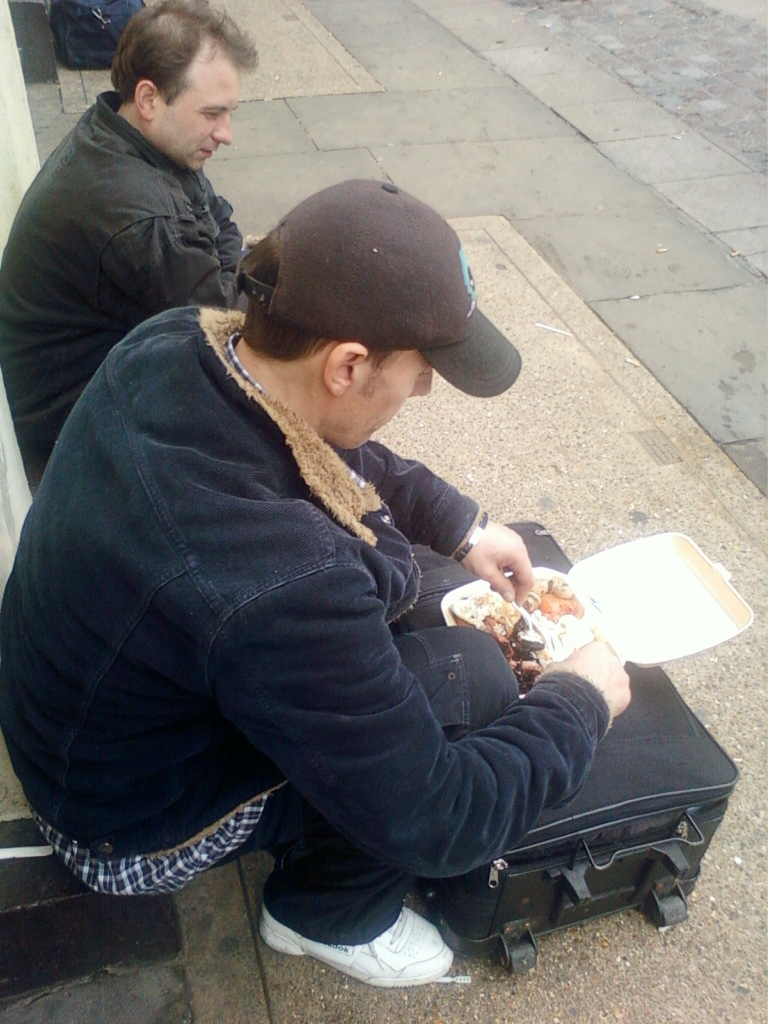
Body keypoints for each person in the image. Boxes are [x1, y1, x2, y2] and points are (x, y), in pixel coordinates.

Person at [0, 180, 631, 988]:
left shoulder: (177, 343)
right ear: (350, 363)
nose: (426, 389)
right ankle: (326, 916)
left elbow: (320, 444)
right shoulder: (284, 580)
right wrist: (579, 703)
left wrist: (462, 526)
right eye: (424, 369)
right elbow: (439, 818)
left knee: (424, 607)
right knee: (472, 677)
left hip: (73, 724)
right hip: (121, 827)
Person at [0, 0, 257, 488]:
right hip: (75, 453)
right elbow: (230, 328)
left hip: (98, 393)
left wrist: (223, 257)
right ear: (148, 98)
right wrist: (232, 264)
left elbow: (218, 216)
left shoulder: (123, 133)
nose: (226, 134)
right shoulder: (141, 216)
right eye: (212, 113)